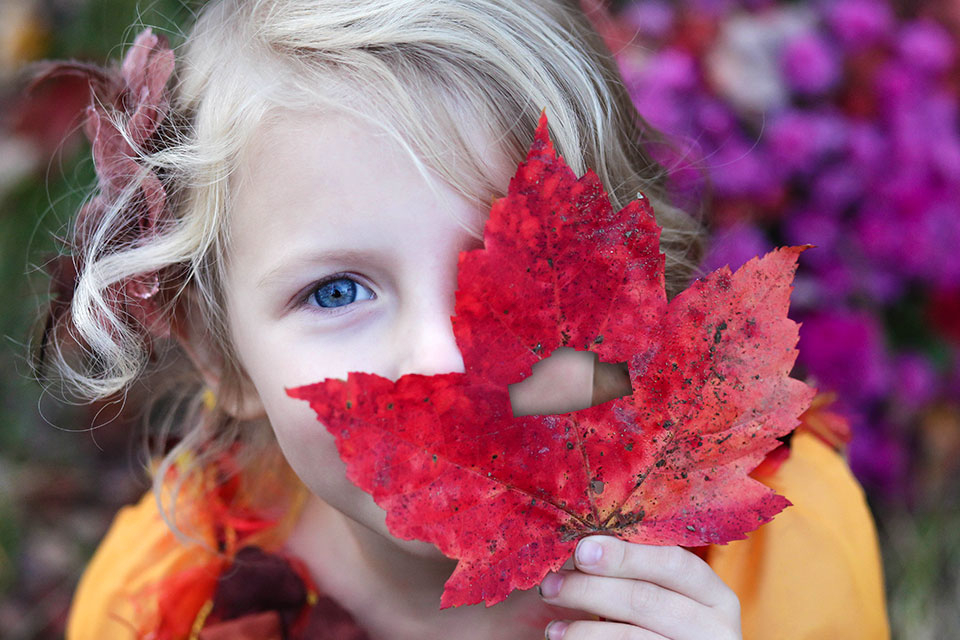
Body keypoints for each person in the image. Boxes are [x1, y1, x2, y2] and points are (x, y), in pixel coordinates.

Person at [26, 1, 890, 638]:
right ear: (221, 356)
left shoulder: (781, 549)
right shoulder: (163, 608)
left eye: (512, 272)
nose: (445, 357)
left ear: (635, 290)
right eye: (336, 293)